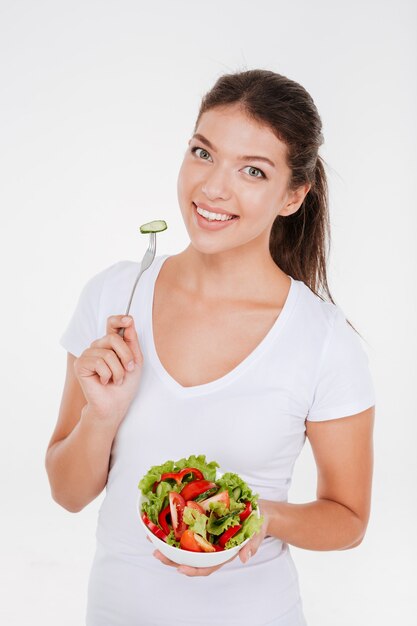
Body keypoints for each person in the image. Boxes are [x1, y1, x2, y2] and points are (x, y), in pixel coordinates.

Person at [45, 69, 375, 626]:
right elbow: (68, 494)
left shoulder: (324, 342)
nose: (214, 188)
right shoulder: (114, 295)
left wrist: (262, 517)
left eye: (252, 170)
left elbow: (348, 519)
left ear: (294, 196)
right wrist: (102, 418)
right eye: (203, 153)